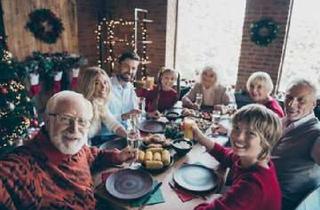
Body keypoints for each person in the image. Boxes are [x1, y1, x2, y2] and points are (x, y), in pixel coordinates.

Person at [0, 91, 136, 209]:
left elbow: (94, 155)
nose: (74, 129)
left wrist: (118, 156)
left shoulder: (78, 149)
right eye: (65, 119)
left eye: (82, 121)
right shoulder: (22, 166)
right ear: (47, 121)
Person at [193, 104, 282, 210]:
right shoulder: (252, 159)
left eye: (251, 133)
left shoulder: (252, 187)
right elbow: (225, 155)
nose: (239, 137)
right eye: (237, 128)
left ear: (266, 141)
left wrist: (204, 202)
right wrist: (200, 137)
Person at [272, 79, 320, 210]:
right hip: (261, 189)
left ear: (314, 104)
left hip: (280, 204)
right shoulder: (282, 121)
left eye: (301, 100)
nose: (292, 104)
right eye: (289, 97)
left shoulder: (316, 134)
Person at [77, 67, 127, 144]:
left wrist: (128, 135)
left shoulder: (99, 104)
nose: (103, 87)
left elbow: (113, 124)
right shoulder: (82, 107)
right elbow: (80, 137)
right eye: (97, 83)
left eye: (105, 82)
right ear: (88, 86)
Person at [108, 51, 141, 126]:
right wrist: (123, 117)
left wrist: (148, 115)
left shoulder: (130, 87)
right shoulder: (105, 86)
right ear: (118, 66)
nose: (130, 71)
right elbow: (101, 119)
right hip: (108, 135)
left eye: (133, 68)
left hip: (127, 132)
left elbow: (135, 111)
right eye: (126, 66)